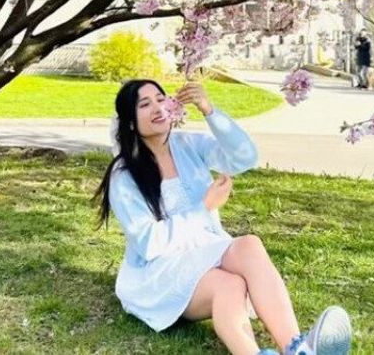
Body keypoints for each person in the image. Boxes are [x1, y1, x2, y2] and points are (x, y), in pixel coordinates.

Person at [94, 79, 352, 355]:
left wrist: (209, 110)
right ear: (131, 123)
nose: (158, 107)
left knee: (249, 244)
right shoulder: (124, 175)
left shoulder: (188, 145)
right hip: (161, 272)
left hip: (206, 251)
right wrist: (203, 208)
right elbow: (149, 244)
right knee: (227, 284)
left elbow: (245, 157)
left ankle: (296, 348)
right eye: (145, 105)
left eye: (161, 98)